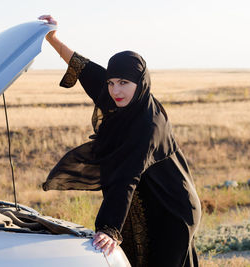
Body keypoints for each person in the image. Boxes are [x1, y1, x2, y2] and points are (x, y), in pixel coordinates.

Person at [39, 15, 202, 267]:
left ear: (140, 83)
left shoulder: (149, 125)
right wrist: (52, 38)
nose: (115, 91)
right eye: (111, 83)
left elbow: (127, 176)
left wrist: (109, 228)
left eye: (123, 83)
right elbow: (84, 68)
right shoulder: (123, 97)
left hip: (172, 209)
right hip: (145, 200)